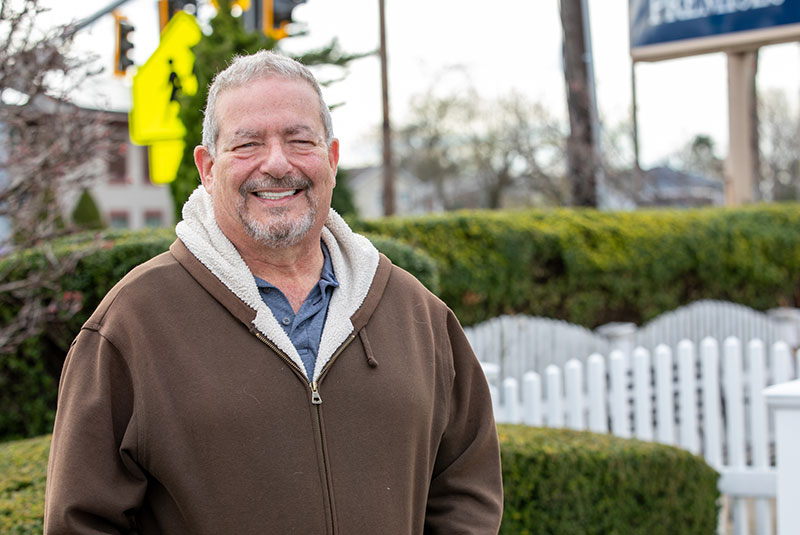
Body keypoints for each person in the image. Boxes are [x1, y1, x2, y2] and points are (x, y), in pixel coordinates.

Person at [44, 50, 503, 534]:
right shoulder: (131, 324)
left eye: (299, 139)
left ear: (331, 158)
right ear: (207, 167)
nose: (277, 163)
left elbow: (466, 487)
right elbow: (81, 521)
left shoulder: (417, 314)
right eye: (247, 145)